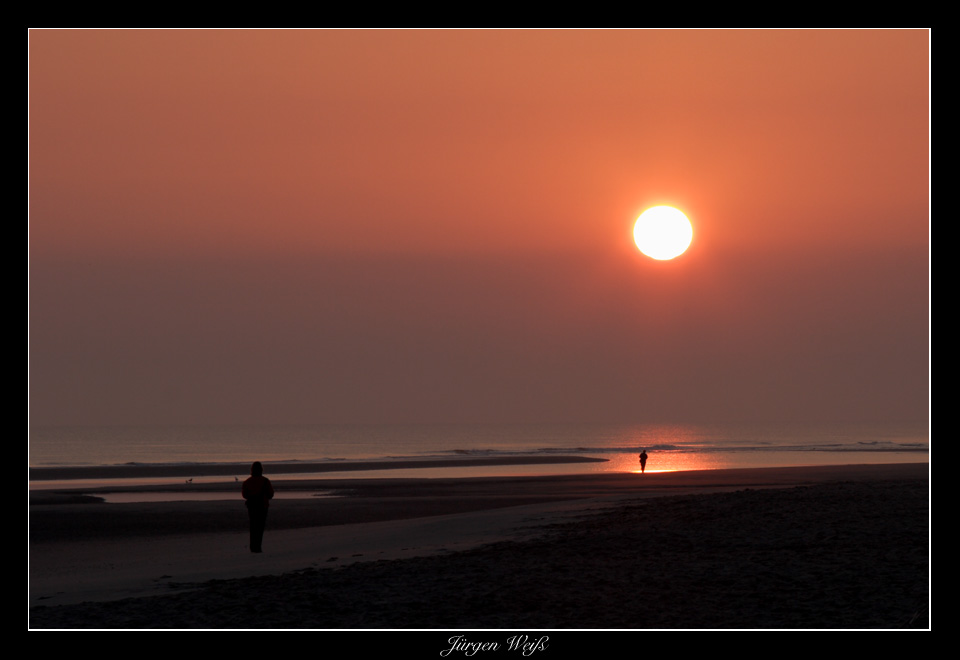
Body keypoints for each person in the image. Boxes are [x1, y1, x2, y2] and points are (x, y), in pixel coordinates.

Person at [242, 461, 274, 553]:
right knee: (260, 527)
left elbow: (244, 495)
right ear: (261, 470)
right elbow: (271, 494)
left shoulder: (247, 482)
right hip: (263, 505)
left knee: (253, 526)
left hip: (252, 506)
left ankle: (253, 546)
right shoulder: (265, 481)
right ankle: (258, 547)